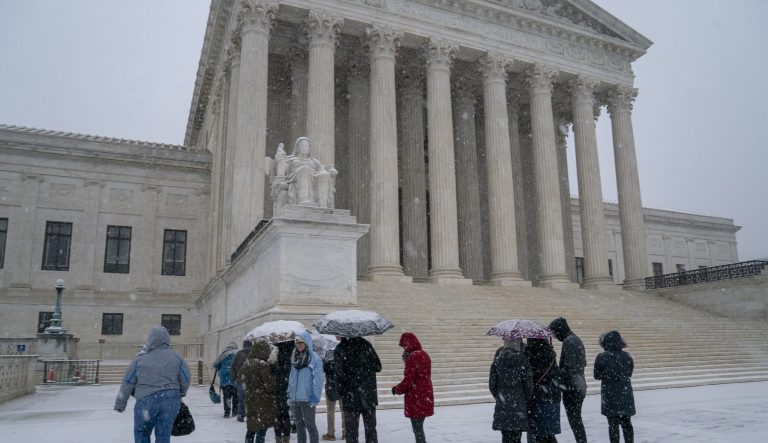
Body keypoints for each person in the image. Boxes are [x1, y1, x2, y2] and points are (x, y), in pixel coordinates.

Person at [114, 326, 190, 443]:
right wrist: (180, 393)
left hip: (145, 402)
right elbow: (185, 379)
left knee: (142, 432)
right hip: (170, 402)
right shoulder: (177, 358)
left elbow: (128, 382)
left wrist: (121, 403)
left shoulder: (139, 359)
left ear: (150, 340)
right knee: (163, 434)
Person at [335, 336, 382, 443]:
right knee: (371, 432)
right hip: (368, 395)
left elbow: (339, 374)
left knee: (351, 433)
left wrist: (342, 391)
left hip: (350, 397)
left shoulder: (340, 348)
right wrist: (364, 368)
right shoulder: (366, 344)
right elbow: (378, 366)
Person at [549, 317, 588, 443]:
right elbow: (583, 362)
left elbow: (569, 367)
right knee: (577, 421)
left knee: (575, 422)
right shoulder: (576, 339)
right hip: (579, 385)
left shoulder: (568, 341)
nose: (555, 337)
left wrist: (556, 374)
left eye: (554, 333)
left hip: (572, 388)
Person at [392, 332, 434, 443]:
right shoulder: (425, 354)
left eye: (405, 345)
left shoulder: (412, 357)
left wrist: (397, 389)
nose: (404, 348)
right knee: (419, 428)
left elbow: (409, 380)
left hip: (416, 397)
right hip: (425, 395)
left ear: (409, 343)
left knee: (417, 429)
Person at [594, 331, 635, 443]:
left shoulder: (602, 357)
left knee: (612, 425)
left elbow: (596, 376)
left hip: (610, 395)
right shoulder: (627, 356)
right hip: (625, 395)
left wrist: (608, 374)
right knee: (627, 424)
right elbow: (629, 373)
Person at [489, 337, 533, 443]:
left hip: (503, 404)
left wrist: (499, 395)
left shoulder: (499, 356)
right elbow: (528, 385)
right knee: (517, 436)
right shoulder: (523, 358)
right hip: (519, 404)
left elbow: (492, 384)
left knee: (505, 436)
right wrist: (524, 397)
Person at [288, 331, 325, 443]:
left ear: (307, 343)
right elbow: (291, 377)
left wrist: (315, 396)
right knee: (299, 426)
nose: (299, 345)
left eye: (301, 343)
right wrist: (289, 392)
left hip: (307, 398)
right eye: (297, 343)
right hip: (295, 398)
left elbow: (318, 380)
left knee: (310, 425)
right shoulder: (294, 358)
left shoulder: (314, 358)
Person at [525, 338, 561, 443]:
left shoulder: (530, 353)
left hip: (536, 397)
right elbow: (556, 375)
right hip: (551, 397)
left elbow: (530, 376)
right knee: (548, 433)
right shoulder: (551, 353)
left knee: (534, 432)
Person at [241, 337, 276, 443]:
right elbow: (270, 385)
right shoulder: (263, 365)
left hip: (250, 398)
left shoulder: (247, 363)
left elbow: (242, 379)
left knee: (251, 427)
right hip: (263, 401)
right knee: (261, 428)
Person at [274, 339, 295, 443]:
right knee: (287, 413)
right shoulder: (293, 356)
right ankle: (286, 437)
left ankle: (278, 438)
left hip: (278, 388)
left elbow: (273, 372)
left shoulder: (277, 355)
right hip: (289, 388)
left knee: (278, 414)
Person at [322, 344, 344, 441]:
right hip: (343, 387)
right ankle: (346, 432)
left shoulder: (328, 356)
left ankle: (331, 433)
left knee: (331, 411)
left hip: (331, 386)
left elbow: (324, 369)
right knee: (344, 410)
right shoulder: (344, 354)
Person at [213, 341, 239, 418]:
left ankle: (227, 413)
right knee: (235, 396)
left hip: (225, 378)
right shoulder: (238, 353)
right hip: (235, 377)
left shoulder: (224, 354)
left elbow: (216, 365)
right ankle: (235, 412)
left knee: (227, 396)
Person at [231, 339, 253, 422]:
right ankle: (250, 416)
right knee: (251, 398)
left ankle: (241, 415)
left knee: (241, 399)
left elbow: (233, 366)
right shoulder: (254, 353)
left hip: (241, 380)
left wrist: (233, 378)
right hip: (252, 380)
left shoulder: (238, 353)